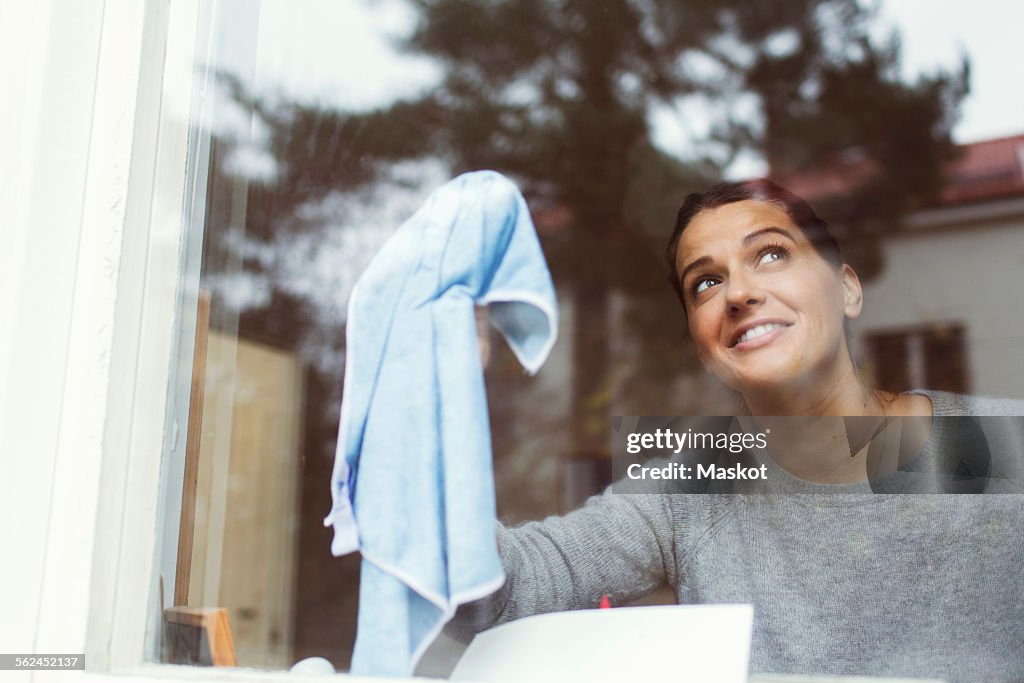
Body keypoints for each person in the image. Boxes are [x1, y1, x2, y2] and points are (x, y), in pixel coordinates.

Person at [449, 179, 1024, 682]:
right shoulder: (691, 490)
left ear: (848, 288)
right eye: (705, 283)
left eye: (771, 254)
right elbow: (493, 597)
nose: (739, 293)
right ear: (702, 345)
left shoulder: (1006, 448)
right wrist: (443, 398)